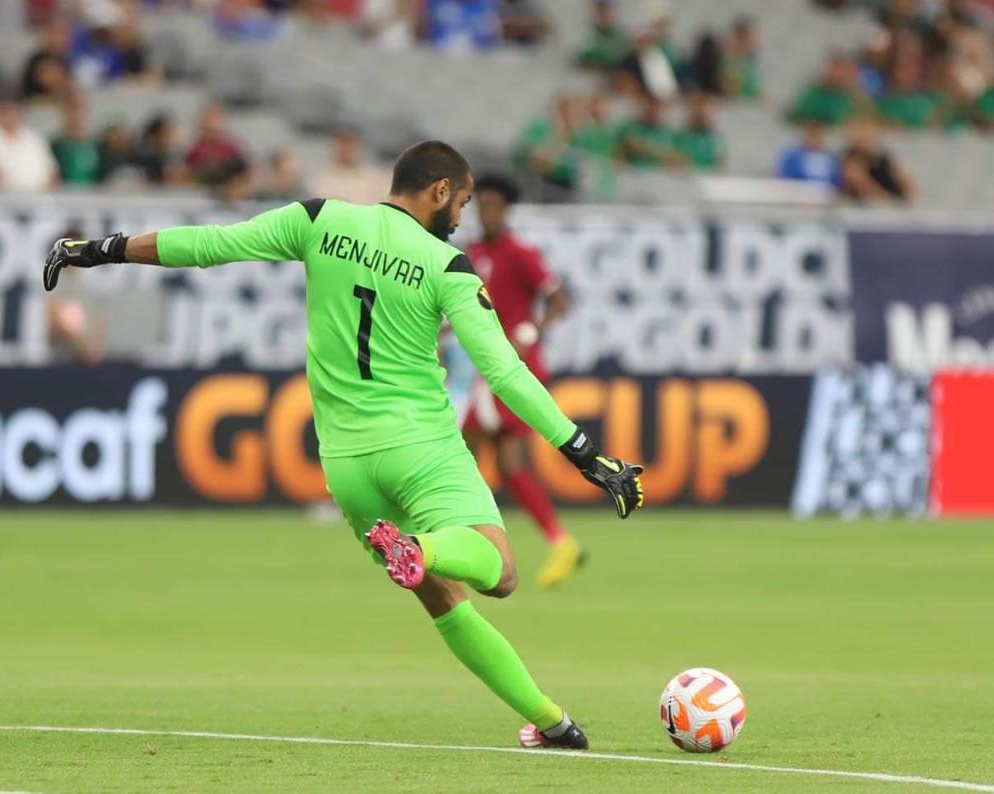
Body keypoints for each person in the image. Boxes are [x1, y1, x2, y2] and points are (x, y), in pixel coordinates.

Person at [42, 140, 644, 749]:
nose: (461, 217)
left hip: (347, 465)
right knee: (500, 570)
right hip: (420, 446)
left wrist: (102, 249)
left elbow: (209, 245)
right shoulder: (448, 266)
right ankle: (422, 548)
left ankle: (551, 722)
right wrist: (583, 451)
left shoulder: (319, 219)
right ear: (439, 191)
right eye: (460, 202)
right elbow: (505, 370)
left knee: (443, 601)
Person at [462, 175, 580, 588]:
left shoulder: (519, 253)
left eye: (495, 206)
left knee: (463, 452)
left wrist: (533, 331)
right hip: (489, 369)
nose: (487, 213)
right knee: (508, 465)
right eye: (482, 206)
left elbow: (559, 299)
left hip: (511, 370)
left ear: (507, 210)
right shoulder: (473, 253)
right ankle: (559, 541)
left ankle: (461, 538)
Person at [0, 98, 59, 192]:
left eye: (14, 112)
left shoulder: (34, 138)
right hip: (0, 195)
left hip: (38, 196)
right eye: (6, 112)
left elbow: (52, 171)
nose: (10, 116)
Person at [839, 115, 917, 204]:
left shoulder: (883, 158)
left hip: (888, 204)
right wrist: (888, 201)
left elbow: (908, 186)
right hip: (863, 206)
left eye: (868, 131)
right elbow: (863, 186)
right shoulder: (849, 158)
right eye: (861, 131)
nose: (865, 135)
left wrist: (905, 188)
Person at [310, 126, 389, 205]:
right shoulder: (322, 177)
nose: (347, 149)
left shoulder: (375, 177)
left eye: (350, 144)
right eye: (343, 144)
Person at [776, 120, 840, 187]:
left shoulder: (830, 158)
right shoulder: (792, 157)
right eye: (811, 133)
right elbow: (784, 179)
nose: (814, 137)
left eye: (817, 133)